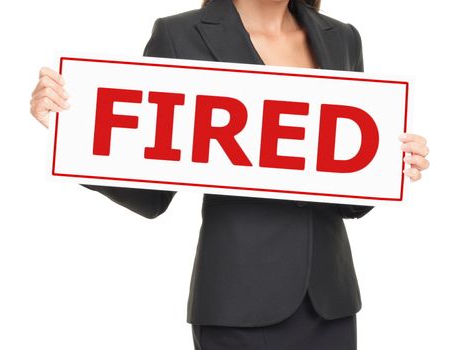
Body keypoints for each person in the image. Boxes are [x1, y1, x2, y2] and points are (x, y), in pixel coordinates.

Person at [29, 0, 430, 349]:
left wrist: (391, 164)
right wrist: (71, 132)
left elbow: (348, 198)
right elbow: (151, 192)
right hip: (237, 302)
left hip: (330, 304)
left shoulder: (342, 37)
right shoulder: (179, 34)